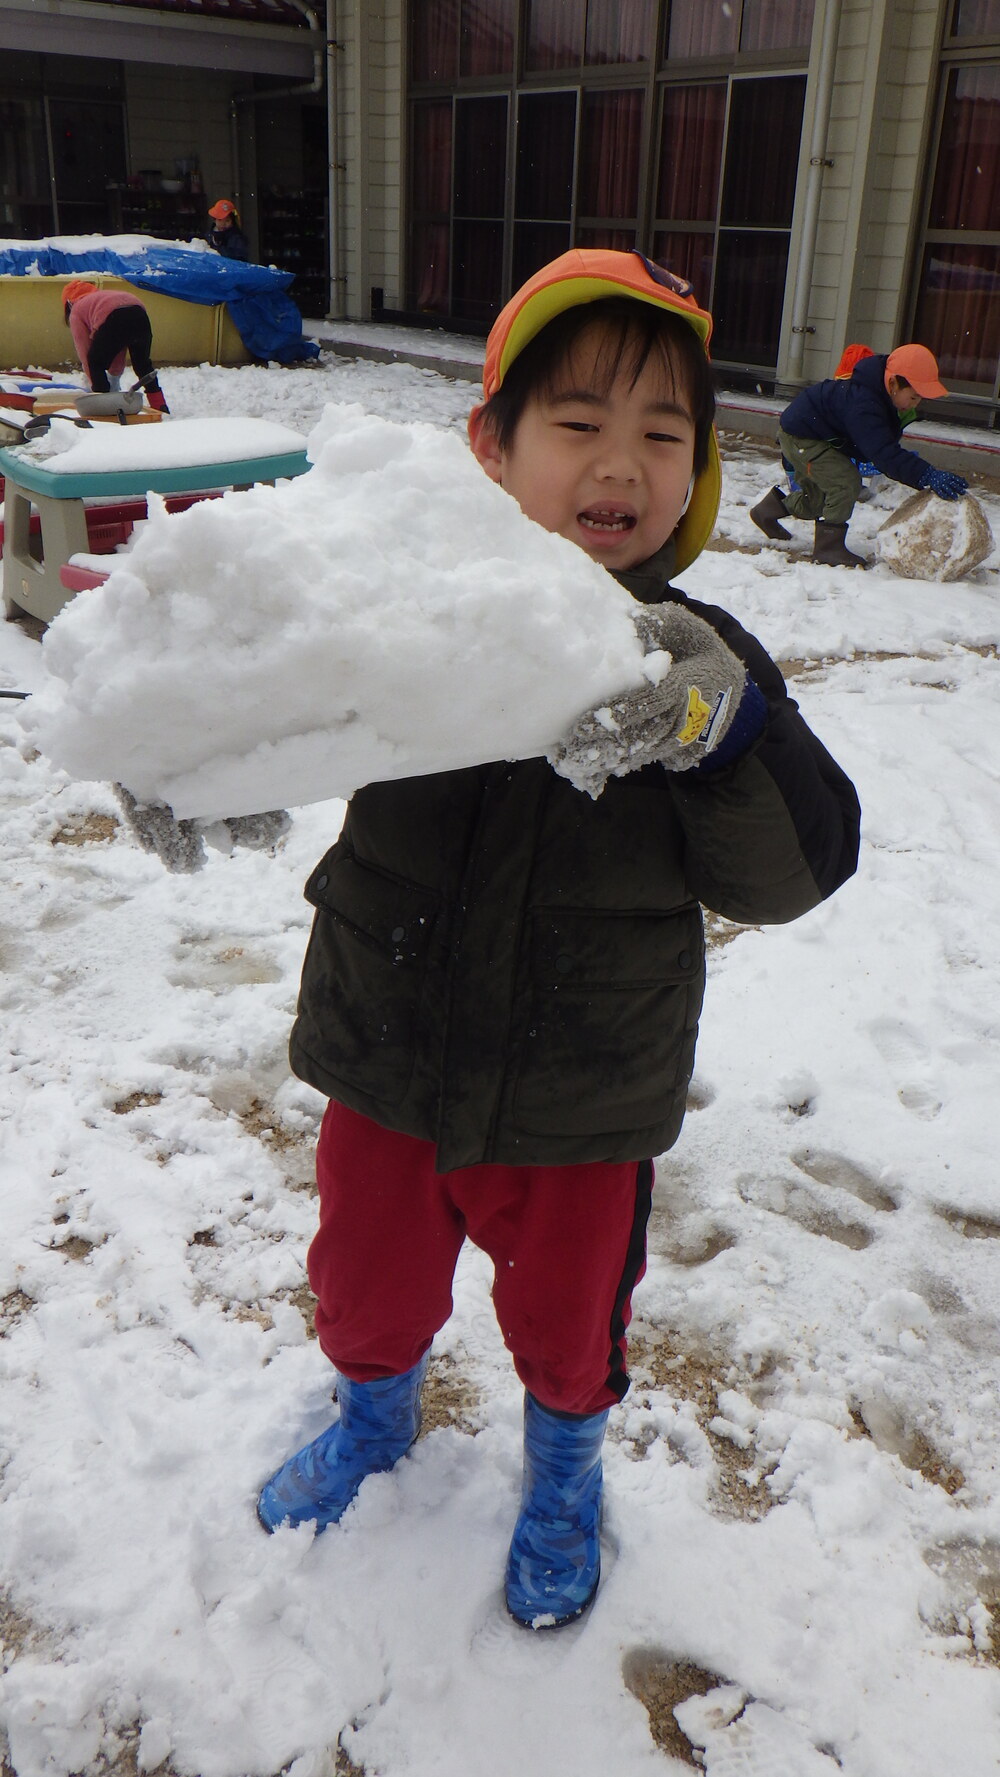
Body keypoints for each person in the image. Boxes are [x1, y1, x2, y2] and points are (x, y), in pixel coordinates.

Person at [254, 248, 862, 1630]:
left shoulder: (698, 656)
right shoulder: (401, 617)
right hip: (390, 1055)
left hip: (582, 1095)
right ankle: (370, 1417)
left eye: (663, 433)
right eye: (579, 423)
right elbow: (248, 702)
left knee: (570, 1324)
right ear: (494, 444)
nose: (620, 462)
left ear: (698, 467)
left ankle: (567, 1472)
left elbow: (799, 864)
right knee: (364, 1279)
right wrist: (176, 763)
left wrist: (724, 733)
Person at [750, 342, 967, 567]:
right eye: (913, 397)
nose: (915, 404)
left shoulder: (879, 395)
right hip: (801, 436)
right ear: (893, 383)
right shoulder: (864, 404)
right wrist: (926, 474)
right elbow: (884, 454)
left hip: (816, 434)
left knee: (818, 501)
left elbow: (882, 446)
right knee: (845, 482)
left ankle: (766, 512)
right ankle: (828, 548)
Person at [62, 280, 169, 413]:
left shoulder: (77, 310)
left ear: (68, 303)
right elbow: (117, 344)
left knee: (95, 363)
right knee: (143, 365)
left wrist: (95, 382)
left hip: (114, 317)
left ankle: (103, 407)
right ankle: (159, 405)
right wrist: (115, 375)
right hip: (139, 313)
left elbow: (85, 352)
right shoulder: (102, 298)